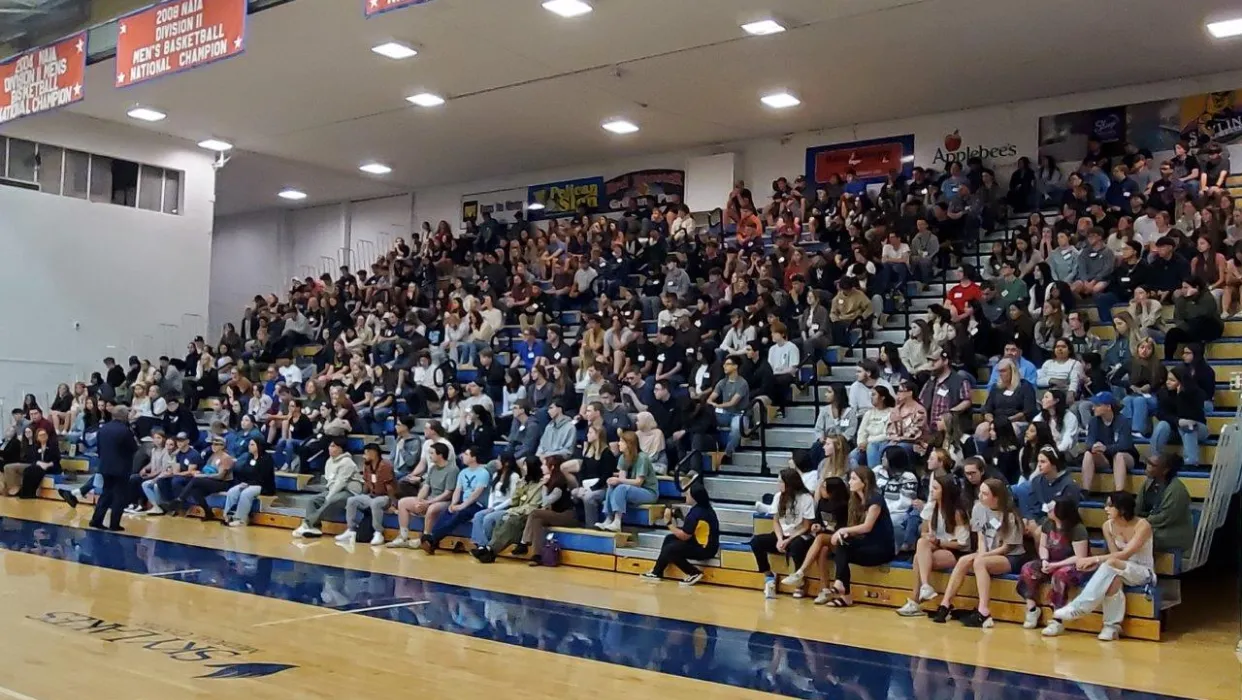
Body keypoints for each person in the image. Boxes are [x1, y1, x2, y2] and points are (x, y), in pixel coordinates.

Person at [1053, 492, 1155, 641]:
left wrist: (1094, 559)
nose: (1105, 508)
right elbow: (1114, 554)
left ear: (1122, 509)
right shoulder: (1107, 526)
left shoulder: (1143, 525)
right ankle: (1111, 627)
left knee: (1112, 564)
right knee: (1113, 580)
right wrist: (1095, 564)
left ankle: (1080, 606)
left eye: (1110, 505)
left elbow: (1125, 554)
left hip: (1143, 572)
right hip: (1120, 568)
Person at [931, 478, 1024, 628]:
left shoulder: (1011, 516)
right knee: (963, 561)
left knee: (979, 562)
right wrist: (982, 553)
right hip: (987, 552)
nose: (980, 496)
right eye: (980, 492)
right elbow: (981, 538)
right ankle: (945, 605)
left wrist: (983, 556)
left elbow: (1007, 548)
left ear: (997, 497)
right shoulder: (978, 508)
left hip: (1009, 557)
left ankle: (983, 611)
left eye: (985, 494)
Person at [812, 466, 896, 608]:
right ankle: (844, 592)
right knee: (842, 544)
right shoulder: (854, 500)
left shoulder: (875, 499)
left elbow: (867, 527)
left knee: (842, 545)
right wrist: (841, 533)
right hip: (865, 544)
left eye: (853, 479)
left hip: (880, 548)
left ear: (864, 482)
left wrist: (843, 530)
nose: (849, 482)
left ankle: (842, 589)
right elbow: (853, 527)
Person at [896, 474, 969, 616]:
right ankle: (925, 587)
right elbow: (923, 532)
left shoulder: (957, 513)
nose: (931, 491)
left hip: (953, 552)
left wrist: (939, 542)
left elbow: (962, 544)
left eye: (935, 488)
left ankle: (915, 600)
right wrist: (929, 537)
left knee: (918, 558)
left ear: (945, 491)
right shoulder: (931, 506)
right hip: (934, 547)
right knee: (922, 543)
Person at [1018, 498, 1091, 636]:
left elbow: (1080, 557)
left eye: (1052, 507)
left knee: (1060, 576)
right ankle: (1032, 608)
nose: (1048, 509)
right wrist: (1045, 560)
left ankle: (1057, 620)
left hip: (1075, 565)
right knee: (1028, 568)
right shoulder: (1048, 524)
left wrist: (1055, 565)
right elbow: (1043, 545)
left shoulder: (1077, 529)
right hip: (1051, 562)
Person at [751, 467, 815, 599]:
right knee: (756, 541)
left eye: (780, 482)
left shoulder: (806, 498)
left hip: (800, 534)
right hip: (783, 534)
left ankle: (800, 581)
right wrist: (780, 539)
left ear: (789, 483)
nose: (778, 484)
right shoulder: (778, 497)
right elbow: (776, 521)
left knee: (797, 546)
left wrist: (789, 539)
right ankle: (768, 575)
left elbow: (806, 526)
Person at [641, 481, 720, 586]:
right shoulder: (704, 508)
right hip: (704, 543)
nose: (685, 495)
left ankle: (694, 573)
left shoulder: (696, 513)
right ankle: (657, 571)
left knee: (671, 549)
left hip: (705, 549)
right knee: (670, 539)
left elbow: (684, 536)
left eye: (687, 494)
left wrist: (669, 523)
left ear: (694, 497)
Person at [422, 446, 493, 553]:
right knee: (447, 513)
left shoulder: (483, 473)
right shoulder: (463, 472)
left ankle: (433, 539)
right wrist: (454, 504)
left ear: (474, 458)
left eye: (466, 454)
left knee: (459, 514)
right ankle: (433, 540)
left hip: (477, 504)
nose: (462, 456)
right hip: (463, 502)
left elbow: (476, 494)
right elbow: (457, 490)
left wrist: (461, 506)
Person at [389, 443, 459, 547]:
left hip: (444, 501)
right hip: (430, 498)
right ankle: (403, 536)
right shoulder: (433, 468)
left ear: (440, 455)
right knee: (403, 502)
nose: (429, 455)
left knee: (432, 509)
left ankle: (426, 539)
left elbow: (448, 493)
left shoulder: (452, 469)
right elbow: (426, 487)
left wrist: (428, 502)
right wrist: (419, 500)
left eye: (431, 453)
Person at [292, 439, 362, 538]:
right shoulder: (329, 461)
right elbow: (330, 481)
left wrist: (329, 496)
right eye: (330, 446)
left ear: (340, 449)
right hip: (332, 489)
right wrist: (327, 494)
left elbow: (341, 483)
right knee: (312, 500)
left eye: (333, 446)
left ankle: (307, 523)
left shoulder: (347, 462)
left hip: (349, 491)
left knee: (332, 500)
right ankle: (315, 528)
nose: (330, 448)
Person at [596, 431, 658, 533]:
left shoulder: (642, 457)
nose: (618, 444)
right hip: (633, 490)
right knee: (613, 485)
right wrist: (615, 481)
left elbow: (639, 482)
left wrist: (619, 480)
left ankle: (617, 521)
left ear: (629, 444)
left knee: (621, 487)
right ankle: (608, 518)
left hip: (648, 492)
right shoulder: (623, 457)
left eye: (621, 441)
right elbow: (621, 478)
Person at [334, 444, 396, 545]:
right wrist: (361, 497)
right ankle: (351, 529)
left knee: (376, 503)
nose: (364, 456)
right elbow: (367, 483)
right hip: (372, 495)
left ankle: (378, 532)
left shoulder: (386, 465)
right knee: (352, 500)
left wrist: (393, 504)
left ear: (374, 453)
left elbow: (390, 487)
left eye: (366, 453)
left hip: (385, 497)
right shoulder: (367, 465)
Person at [89, 407, 138, 531]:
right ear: (123, 416)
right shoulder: (125, 431)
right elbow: (133, 448)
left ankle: (96, 520)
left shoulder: (103, 428)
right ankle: (114, 524)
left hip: (105, 466)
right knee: (119, 497)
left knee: (106, 494)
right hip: (121, 468)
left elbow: (99, 448)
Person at [1150, 368, 1209, 469]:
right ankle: (1155, 458)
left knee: (1188, 426)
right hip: (1175, 429)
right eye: (1168, 379)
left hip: (1198, 429)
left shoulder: (1196, 394)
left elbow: (1192, 417)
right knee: (1162, 425)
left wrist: (1181, 396)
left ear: (1181, 382)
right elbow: (1161, 414)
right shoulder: (1163, 393)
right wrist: (1178, 421)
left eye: (1172, 380)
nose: (1168, 382)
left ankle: (1191, 462)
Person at [468, 455, 522, 562]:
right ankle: (482, 546)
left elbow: (512, 498)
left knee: (489, 518)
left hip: (506, 506)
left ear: (506, 463)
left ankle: (486, 548)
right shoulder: (496, 474)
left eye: (499, 460)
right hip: (494, 505)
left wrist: (495, 509)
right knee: (478, 516)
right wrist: (490, 507)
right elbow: (491, 494)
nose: (496, 462)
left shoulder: (514, 476)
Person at [1081, 391, 1136, 497]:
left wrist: (1105, 448)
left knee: (1119, 455)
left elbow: (1125, 445)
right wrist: (1093, 446)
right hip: (1105, 457)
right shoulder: (1094, 421)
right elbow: (1089, 442)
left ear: (1108, 407)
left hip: (1126, 457)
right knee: (1088, 454)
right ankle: (1085, 491)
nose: (1093, 408)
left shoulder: (1123, 421)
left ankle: (1119, 493)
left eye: (1097, 405)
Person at [1136, 454, 1194, 553]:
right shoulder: (1148, 484)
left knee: (1141, 537)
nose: (1147, 467)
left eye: (1152, 465)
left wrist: (1141, 522)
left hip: (1173, 532)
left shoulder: (1176, 489)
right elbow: (1137, 508)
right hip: (1152, 526)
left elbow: (1165, 518)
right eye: (1148, 463)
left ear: (1165, 470)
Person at [221, 437, 276, 527]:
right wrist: (243, 483)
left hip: (264, 485)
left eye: (252, 444)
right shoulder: (249, 457)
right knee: (232, 491)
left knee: (246, 493)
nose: (249, 446)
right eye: (249, 444)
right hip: (249, 483)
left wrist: (249, 484)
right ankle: (227, 515)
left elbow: (264, 476)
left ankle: (241, 519)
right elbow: (244, 472)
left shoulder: (267, 458)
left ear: (259, 446)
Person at [1164, 277, 1223, 360]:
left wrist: (1189, 299)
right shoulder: (1181, 299)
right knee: (1172, 333)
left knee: (1198, 321)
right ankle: (1168, 360)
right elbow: (1178, 318)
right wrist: (1187, 329)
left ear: (1196, 288)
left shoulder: (1207, 296)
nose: (1183, 290)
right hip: (1190, 328)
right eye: (1182, 287)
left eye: (1186, 287)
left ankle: (1198, 358)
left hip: (1211, 328)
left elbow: (1202, 314)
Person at [706, 355, 749, 458]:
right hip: (725, 413)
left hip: (739, 414)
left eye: (728, 364)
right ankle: (712, 447)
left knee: (735, 427)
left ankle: (727, 453)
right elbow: (710, 399)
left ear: (735, 366)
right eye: (724, 364)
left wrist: (717, 405)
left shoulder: (742, 383)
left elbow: (733, 402)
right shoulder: (722, 382)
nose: (724, 366)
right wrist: (713, 404)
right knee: (707, 417)